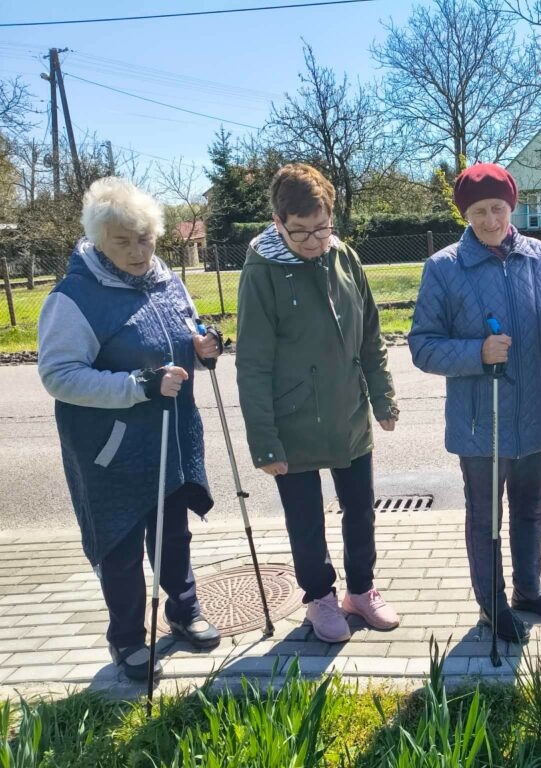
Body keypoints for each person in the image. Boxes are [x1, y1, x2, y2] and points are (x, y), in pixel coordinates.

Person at [37, 177, 222, 681]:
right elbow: (58, 375)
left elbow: (187, 331)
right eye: (124, 242)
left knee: (173, 534)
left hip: (168, 437)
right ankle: (126, 639)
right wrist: (137, 385)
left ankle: (184, 614)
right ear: (99, 241)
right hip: (110, 451)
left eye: (146, 238)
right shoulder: (73, 297)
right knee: (120, 546)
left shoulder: (164, 279)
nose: (140, 251)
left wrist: (204, 346)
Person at [236, 163, 400, 643]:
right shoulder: (260, 273)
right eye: (300, 232)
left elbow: (370, 334)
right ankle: (320, 599)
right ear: (278, 221)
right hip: (293, 423)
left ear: (332, 217)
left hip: (349, 413)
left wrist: (383, 396)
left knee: (361, 510)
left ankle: (361, 592)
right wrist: (264, 441)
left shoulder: (345, 257)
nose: (313, 242)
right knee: (306, 521)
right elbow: (252, 363)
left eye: (322, 229)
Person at [409, 162, 541, 644]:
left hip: (536, 410)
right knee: (486, 517)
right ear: (465, 213)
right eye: (478, 211)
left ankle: (528, 592)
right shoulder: (444, 267)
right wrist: (476, 353)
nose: (490, 220)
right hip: (482, 420)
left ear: (512, 206)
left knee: (531, 508)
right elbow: (422, 345)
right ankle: (492, 606)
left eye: (497, 208)